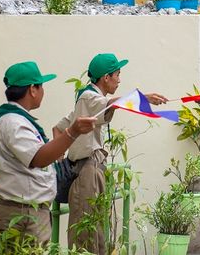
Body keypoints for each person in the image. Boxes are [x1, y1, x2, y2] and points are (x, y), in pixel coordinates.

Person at [53, 54, 167, 254]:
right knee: (86, 236)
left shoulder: (86, 100)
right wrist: (142, 97)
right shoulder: (89, 97)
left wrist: (59, 158)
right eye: (117, 74)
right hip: (87, 170)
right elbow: (112, 103)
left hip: (90, 169)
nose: (119, 80)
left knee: (95, 232)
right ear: (106, 77)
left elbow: (58, 128)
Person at [0, 61, 97, 245]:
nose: (43, 91)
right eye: (41, 86)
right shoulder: (13, 123)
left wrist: (0, 190)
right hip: (24, 214)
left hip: (28, 211)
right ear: (32, 89)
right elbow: (39, 158)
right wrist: (72, 132)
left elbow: (18, 167)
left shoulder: (18, 120)